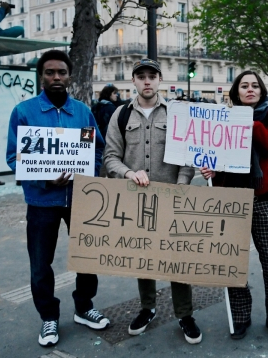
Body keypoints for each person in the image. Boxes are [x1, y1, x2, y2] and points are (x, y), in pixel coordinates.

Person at [6, 50, 109, 347]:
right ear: (41, 76)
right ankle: (48, 317)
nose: (56, 77)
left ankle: (84, 307)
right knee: (40, 263)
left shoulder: (81, 112)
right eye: (50, 72)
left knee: (87, 256)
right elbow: (14, 157)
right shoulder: (24, 112)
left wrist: (88, 173)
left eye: (61, 72)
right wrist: (43, 177)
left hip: (80, 198)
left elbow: (97, 148)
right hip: (41, 201)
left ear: (69, 76)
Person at [102, 58, 202, 344]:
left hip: (172, 199)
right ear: (133, 81)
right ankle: (147, 308)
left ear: (159, 80)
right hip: (136, 202)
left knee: (177, 258)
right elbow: (110, 158)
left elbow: (187, 157)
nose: (147, 81)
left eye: (152, 76)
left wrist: (182, 187)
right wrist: (129, 172)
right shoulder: (120, 116)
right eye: (141, 76)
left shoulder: (176, 114)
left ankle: (185, 314)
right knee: (143, 256)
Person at [199, 71, 268, 342]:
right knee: (231, 262)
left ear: (261, 91)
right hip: (230, 201)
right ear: (236, 92)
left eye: (255, 86)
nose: (250, 90)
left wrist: (253, 125)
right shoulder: (223, 119)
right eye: (244, 86)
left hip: (261, 200)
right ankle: (241, 315)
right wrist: (210, 169)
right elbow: (215, 151)